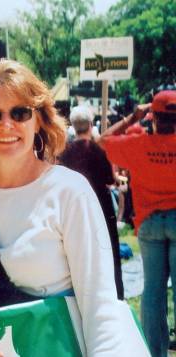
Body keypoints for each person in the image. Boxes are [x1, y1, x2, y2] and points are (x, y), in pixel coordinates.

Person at [0, 59, 146, 356]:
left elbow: (100, 309)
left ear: (38, 119)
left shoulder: (69, 192)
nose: (7, 124)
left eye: (20, 112)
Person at [98, 90, 176, 357]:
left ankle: (156, 354)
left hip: (150, 224)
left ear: (154, 117)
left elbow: (102, 140)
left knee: (153, 294)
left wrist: (135, 116)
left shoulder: (137, 143)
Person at [59, 105, 124, 299]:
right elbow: (109, 179)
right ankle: (116, 295)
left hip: (74, 209)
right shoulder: (97, 149)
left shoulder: (66, 152)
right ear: (89, 124)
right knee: (110, 252)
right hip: (102, 206)